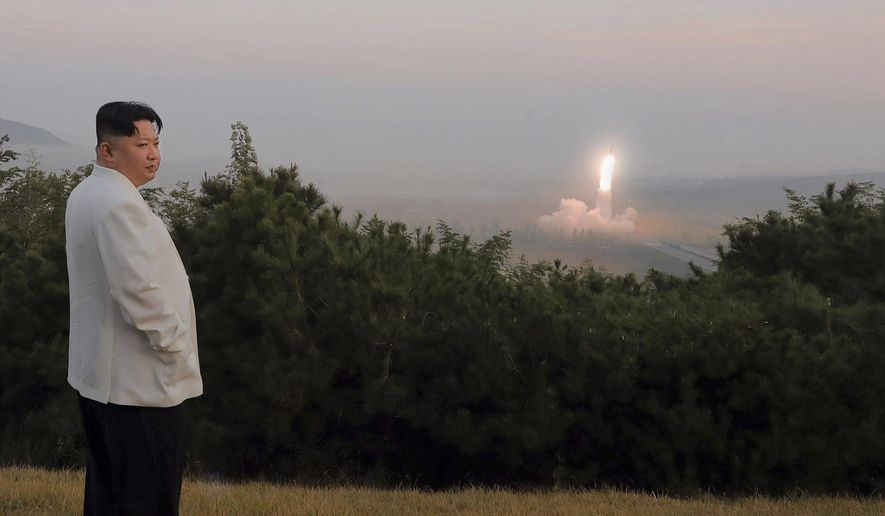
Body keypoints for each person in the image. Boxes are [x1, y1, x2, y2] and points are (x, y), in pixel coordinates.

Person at [65, 101, 202, 515]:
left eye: (156, 143)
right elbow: (139, 293)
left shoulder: (88, 192)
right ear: (107, 150)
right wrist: (175, 343)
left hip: (103, 378)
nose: (153, 154)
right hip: (138, 382)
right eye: (141, 144)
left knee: (111, 493)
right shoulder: (118, 204)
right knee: (147, 496)